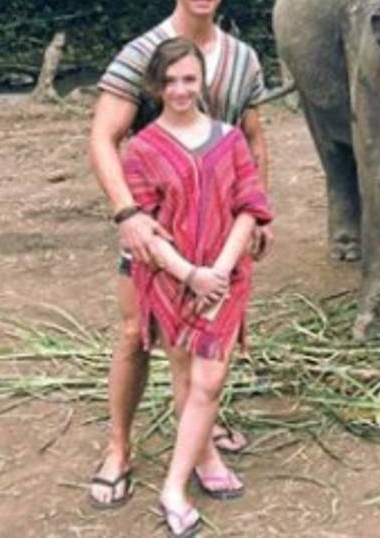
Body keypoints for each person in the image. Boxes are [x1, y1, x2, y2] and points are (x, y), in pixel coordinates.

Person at [86, 0, 271, 509]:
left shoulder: (242, 58)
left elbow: (253, 136)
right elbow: (102, 138)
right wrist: (129, 216)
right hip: (155, 227)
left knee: (202, 341)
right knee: (137, 335)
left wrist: (261, 213)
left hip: (219, 229)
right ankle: (119, 446)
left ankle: (199, 434)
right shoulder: (143, 53)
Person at [122, 38, 273, 537]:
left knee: (208, 382)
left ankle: (172, 486)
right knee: (186, 376)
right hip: (170, 278)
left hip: (225, 278)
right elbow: (142, 224)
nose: (181, 89)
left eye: (189, 79)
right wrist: (190, 274)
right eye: (170, 82)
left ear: (202, 80)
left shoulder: (230, 139)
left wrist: (220, 272)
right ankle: (204, 458)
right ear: (156, 86)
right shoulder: (141, 149)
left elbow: (250, 205)